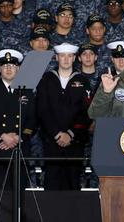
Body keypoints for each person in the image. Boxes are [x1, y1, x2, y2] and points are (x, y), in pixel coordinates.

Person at [36, 43, 92, 190]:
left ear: (74, 58)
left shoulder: (83, 81)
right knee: (52, 183)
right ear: (56, 58)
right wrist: (56, 133)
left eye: (69, 56)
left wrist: (70, 133)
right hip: (51, 141)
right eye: (62, 56)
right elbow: (42, 110)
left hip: (75, 142)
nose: (66, 59)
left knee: (73, 183)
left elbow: (87, 112)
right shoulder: (45, 80)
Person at [0, 49, 35, 189]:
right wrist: (3, 135)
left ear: (19, 68)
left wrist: (18, 137)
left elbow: (33, 119)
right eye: (4, 66)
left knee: (18, 196)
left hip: (19, 148)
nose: (8, 69)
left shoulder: (27, 91)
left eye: (12, 65)